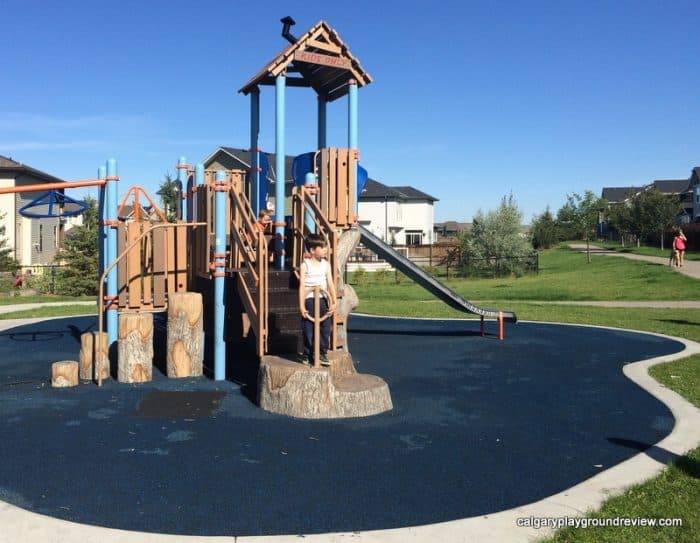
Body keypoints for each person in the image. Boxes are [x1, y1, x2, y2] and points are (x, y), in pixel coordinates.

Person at [298, 233, 336, 366]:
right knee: (308, 328)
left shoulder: (326, 265)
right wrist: (302, 305)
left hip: (323, 299)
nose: (325, 249)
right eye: (322, 247)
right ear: (312, 250)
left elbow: (330, 283)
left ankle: (322, 352)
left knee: (325, 328)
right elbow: (302, 286)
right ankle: (308, 353)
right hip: (309, 299)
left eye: (325, 247)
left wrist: (333, 301)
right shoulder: (305, 265)